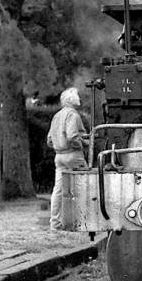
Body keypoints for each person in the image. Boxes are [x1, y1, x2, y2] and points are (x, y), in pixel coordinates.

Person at [47, 87, 88, 231]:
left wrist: (59, 146)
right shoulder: (73, 115)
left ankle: (55, 224)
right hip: (73, 154)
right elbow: (72, 136)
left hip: (59, 156)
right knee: (85, 186)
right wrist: (83, 144)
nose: (79, 98)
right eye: (77, 96)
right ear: (72, 100)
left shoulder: (57, 116)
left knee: (58, 190)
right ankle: (83, 222)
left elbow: (49, 139)